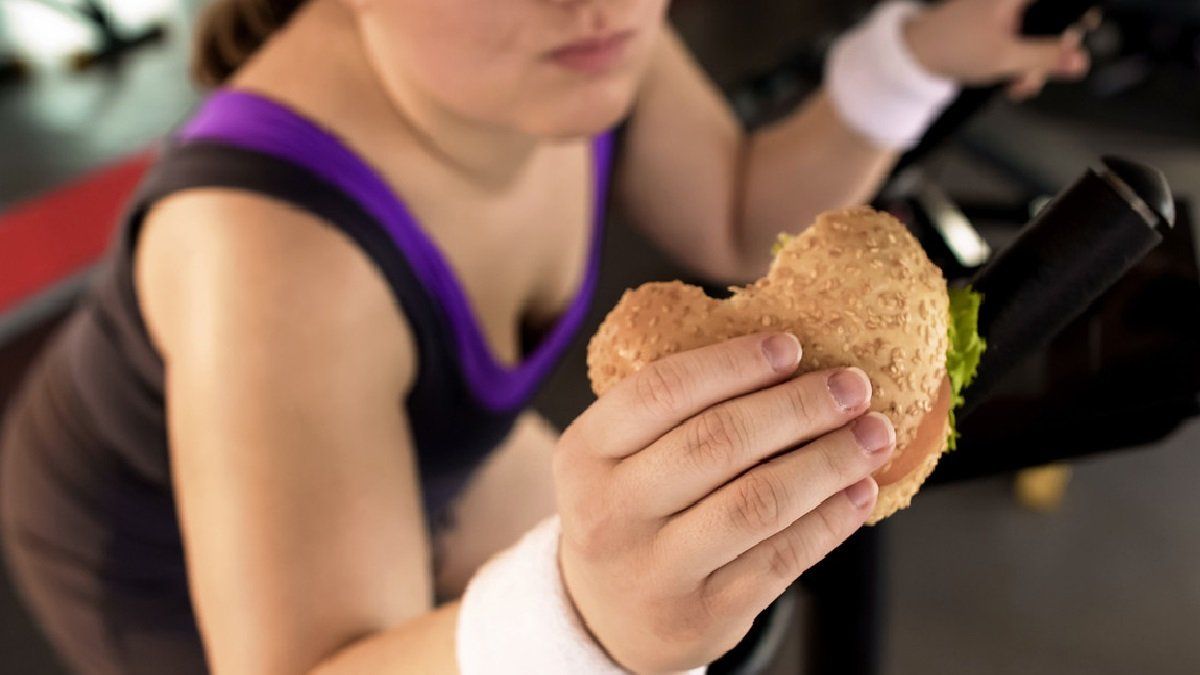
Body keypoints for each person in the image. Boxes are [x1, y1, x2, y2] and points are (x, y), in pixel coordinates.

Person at [0, 0, 1089, 673]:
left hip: (425, 434)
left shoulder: (584, 35)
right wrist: (579, 623)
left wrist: (917, 55)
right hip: (145, 552)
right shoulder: (274, 254)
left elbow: (737, 211)